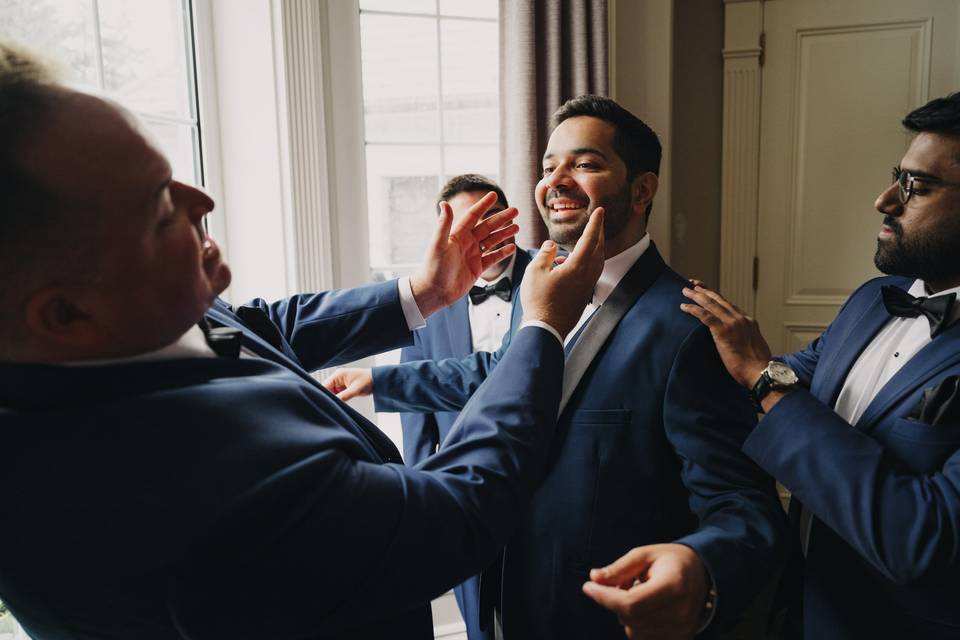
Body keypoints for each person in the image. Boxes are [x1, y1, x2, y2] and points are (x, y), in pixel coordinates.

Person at [0, 43, 607, 640]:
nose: (203, 201)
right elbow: (454, 514)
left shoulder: (124, 323)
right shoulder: (161, 485)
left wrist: (422, 291)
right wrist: (542, 326)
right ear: (66, 313)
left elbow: (255, 330)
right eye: (159, 209)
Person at [326, 95, 788, 639]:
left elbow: (743, 507)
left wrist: (701, 566)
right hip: (497, 602)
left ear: (642, 190)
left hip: (597, 620)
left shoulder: (689, 327)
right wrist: (378, 381)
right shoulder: (535, 291)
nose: (557, 180)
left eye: (586, 164)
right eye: (549, 168)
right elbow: (501, 373)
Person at [654, 92, 960, 639]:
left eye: (918, 186)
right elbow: (784, 378)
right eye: (898, 176)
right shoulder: (873, 298)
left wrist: (764, 379)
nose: (885, 200)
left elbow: (920, 537)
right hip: (802, 611)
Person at [404, 175, 529, 640]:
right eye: (466, 225)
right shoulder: (423, 300)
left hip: (547, 478)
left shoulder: (558, 279)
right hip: (463, 489)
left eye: (490, 217)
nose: (483, 233)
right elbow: (416, 408)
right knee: (478, 617)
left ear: (511, 219)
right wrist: (424, 494)